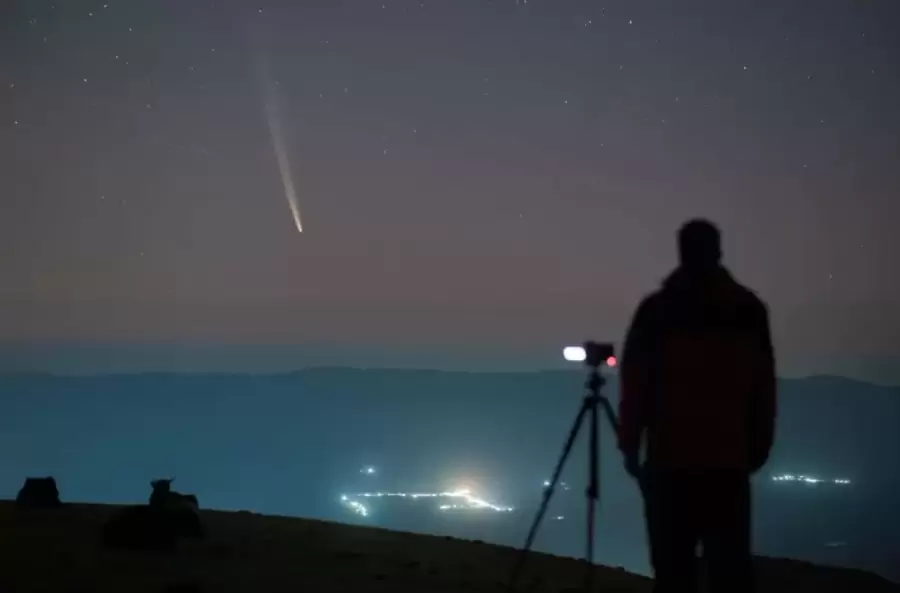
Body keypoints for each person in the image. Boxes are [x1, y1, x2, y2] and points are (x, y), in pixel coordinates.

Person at [617, 219, 777, 593]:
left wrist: (629, 445)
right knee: (729, 569)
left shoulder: (657, 311)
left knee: (674, 571)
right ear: (718, 251)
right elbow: (763, 386)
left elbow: (635, 382)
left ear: (682, 252)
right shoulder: (748, 310)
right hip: (727, 463)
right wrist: (757, 446)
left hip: (670, 461)